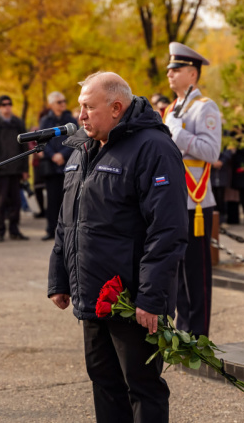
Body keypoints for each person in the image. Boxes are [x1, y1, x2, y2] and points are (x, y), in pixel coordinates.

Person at [48, 72, 187, 423]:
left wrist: (151, 298)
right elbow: (69, 219)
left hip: (131, 299)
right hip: (92, 293)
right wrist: (59, 278)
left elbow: (167, 230)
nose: (80, 116)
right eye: (80, 107)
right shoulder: (82, 146)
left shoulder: (153, 148)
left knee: (142, 387)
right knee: (104, 383)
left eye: (87, 108)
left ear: (115, 108)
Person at [163, 42, 222, 337]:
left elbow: (211, 152)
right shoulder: (172, 108)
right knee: (177, 272)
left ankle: (198, 337)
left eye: (176, 69)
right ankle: (183, 332)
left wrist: (177, 131)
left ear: (192, 74)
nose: (169, 74)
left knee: (197, 275)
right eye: (169, 69)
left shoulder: (205, 107)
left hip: (197, 201)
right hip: (173, 199)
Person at [0, 96, 29, 242]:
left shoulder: (18, 123)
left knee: (16, 202)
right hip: (0, 169)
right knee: (0, 202)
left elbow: (24, 147)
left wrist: (25, 169)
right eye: (3, 105)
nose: (6, 107)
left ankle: (14, 230)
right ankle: (0, 230)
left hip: (16, 169)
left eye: (9, 104)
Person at [38, 91, 77, 240]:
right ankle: (51, 229)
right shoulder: (45, 121)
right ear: (52, 105)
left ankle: (67, 231)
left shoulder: (70, 119)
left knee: (67, 200)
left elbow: (76, 139)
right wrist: (53, 155)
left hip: (68, 164)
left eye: (64, 101)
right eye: (59, 102)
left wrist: (63, 154)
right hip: (51, 166)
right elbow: (42, 141)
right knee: (52, 199)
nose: (63, 104)